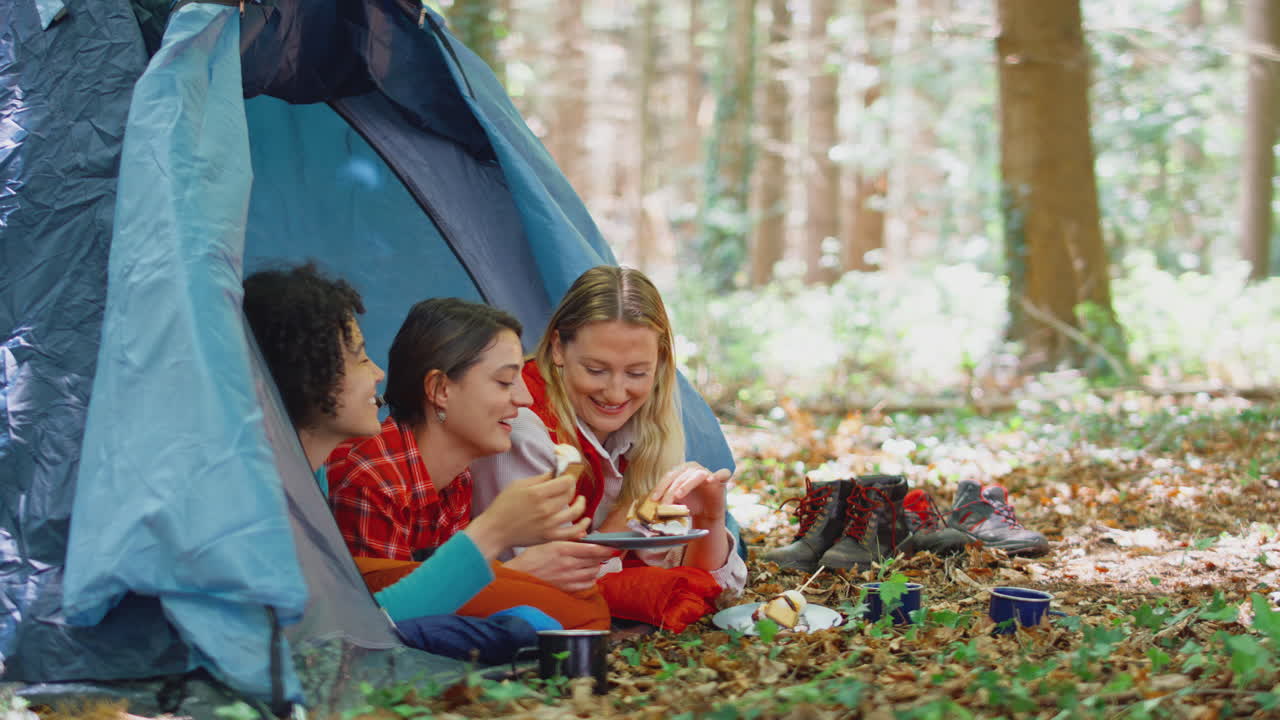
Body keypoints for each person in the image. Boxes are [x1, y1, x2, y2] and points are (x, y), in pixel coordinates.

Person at [242, 264, 589, 662]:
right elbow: (370, 627)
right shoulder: (353, 478)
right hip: (335, 653)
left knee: (533, 620)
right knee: (529, 625)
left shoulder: (322, 477)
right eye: (359, 357)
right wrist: (496, 532)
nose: (377, 373)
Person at [325, 296, 614, 629]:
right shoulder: (371, 478)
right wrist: (515, 572)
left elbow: (441, 594)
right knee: (570, 615)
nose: (525, 398)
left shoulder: (458, 478)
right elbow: (386, 625)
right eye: (505, 382)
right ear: (440, 389)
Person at [470, 265, 747, 602]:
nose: (616, 394)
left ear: (659, 364)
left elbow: (715, 587)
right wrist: (625, 519)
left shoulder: (647, 423)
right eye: (596, 370)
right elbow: (539, 583)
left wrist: (710, 518)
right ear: (558, 347)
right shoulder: (519, 426)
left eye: (637, 372)